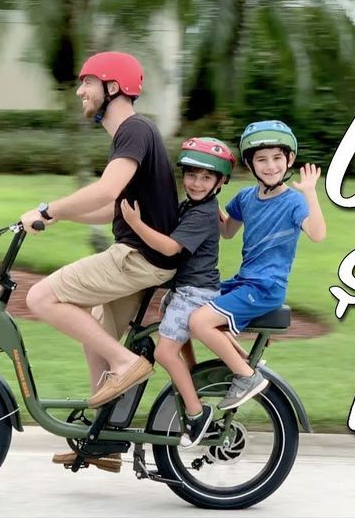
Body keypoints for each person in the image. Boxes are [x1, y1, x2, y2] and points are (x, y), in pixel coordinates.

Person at [18, 51, 179, 414]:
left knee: (40, 297)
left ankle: (126, 363)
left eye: (88, 82)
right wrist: (61, 218)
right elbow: (115, 206)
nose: (80, 91)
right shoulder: (136, 133)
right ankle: (102, 427)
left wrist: (49, 208)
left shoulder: (134, 130)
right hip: (148, 258)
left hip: (137, 257)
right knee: (95, 330)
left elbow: (107, 190)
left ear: (114, 87)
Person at [188, 120, 326, 411]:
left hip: (265, 288)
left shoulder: (293, 202)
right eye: (261, 159)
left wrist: (310, 192)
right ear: (251, 164)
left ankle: (246, 377)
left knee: (200, 322)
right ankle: (243, 361)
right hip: (245, 281)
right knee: (190, 302)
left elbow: (317, 234)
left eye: (277, 158)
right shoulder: (246, 198)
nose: (270, 166)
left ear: (289, 159)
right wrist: (206, 195)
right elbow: (227, 231)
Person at [119, 137, 238, 448]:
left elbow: (171, 248)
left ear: (220, 182)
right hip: (187, 289)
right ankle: (193, 380)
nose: (196, 183)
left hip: (194, 292)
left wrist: (135, 223)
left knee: (164, 352)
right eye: (192, 175)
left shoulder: (201, 213)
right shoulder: (198, 206)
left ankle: (197, 414)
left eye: (206, 177)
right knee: (175, 336)